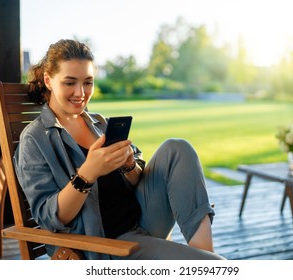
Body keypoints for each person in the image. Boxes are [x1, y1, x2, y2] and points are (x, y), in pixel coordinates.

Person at [14, 39, 225, 260]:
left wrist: (129, 166)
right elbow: (49, 218)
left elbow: (137, 179)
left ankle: (204, 251)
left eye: (88, 82)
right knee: (217, 266)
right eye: (69, 83)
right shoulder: (35, 139)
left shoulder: (99, 123)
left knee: (177, 148)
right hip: (109, 243)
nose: (80, 93)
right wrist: (87, 174)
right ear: (48, 80)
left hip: (142, 220)